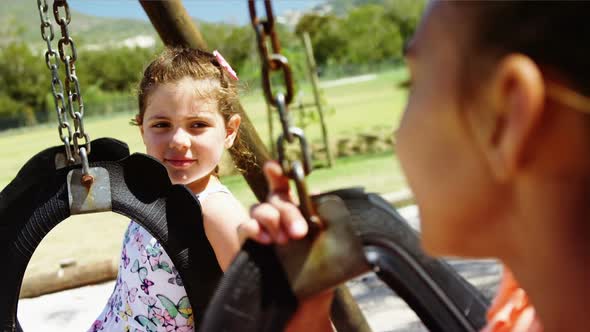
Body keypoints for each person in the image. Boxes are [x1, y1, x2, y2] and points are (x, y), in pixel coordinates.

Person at [243, 1, 590, 331]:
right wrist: (308, 319)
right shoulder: (528, 305)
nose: (398, 132)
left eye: (411, 85)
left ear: (506, 119)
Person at [89, 47, 254, 332]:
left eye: (198, 125)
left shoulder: (216, 212)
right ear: (142, 130)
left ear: (229, 131)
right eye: (162, 124)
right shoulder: (153, 193)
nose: (178, 140)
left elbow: (259, 307)